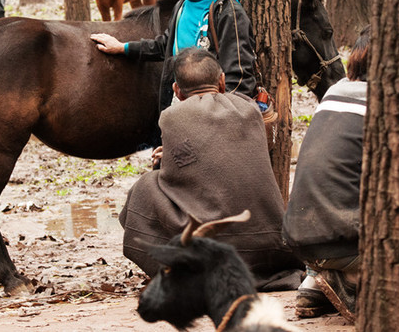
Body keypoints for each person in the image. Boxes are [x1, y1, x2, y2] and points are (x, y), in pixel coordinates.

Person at [119, 49, 302, 289]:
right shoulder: (249, 109)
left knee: (145, 187)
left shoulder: (171, 116)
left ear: (177, 91)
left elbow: (175, 182)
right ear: (222, 81)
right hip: (270, 247)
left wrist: (170, 156)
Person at [90, 0, 258, 146]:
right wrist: (124, 48)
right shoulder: (182, 5)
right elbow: (165, 45)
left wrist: (213, 131)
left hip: (213, 124)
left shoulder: (227, 11)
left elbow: (240, 81)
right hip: (181, 116)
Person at [282, 26, 371, 324]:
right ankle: (353, 277)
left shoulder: (336, 91)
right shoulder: (387, 103)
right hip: (344, 239)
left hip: (299, 236)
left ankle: (314, 282)